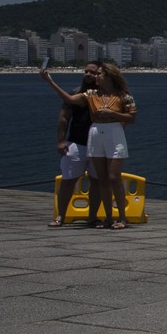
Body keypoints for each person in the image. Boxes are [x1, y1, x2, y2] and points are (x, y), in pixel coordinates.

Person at [41, 61, 137, 229]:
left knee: (108, 178)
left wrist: (112, 115)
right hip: (87, 138)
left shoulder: (122, 96)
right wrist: (50, 82)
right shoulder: (88, 94)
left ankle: (113, 217)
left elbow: (131, 118)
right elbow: (67, 107)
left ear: (108, 76)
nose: (92, 76)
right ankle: (98, 217)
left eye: (97, 73)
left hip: (109, 137)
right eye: (89, 72)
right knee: (86, 179)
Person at [50, 61, 102, 226]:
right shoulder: (76, 92)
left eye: (92, 72)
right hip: (76, 143)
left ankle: (92, 217)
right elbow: (64, 117)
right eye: (86, 71)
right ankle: (60, 216)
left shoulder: (106, 95)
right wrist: (60, 140)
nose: (88, 74)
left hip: (98, 145)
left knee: (97, 182)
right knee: (68, 180)